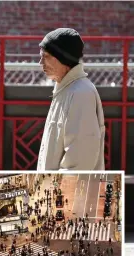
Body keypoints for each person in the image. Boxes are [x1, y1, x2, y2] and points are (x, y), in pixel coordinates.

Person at [36, 28, 105, 171]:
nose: (40, 62)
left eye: (46, 56)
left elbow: (79, 162)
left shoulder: (81, 93)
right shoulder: (64, 89)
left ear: (64, 59)